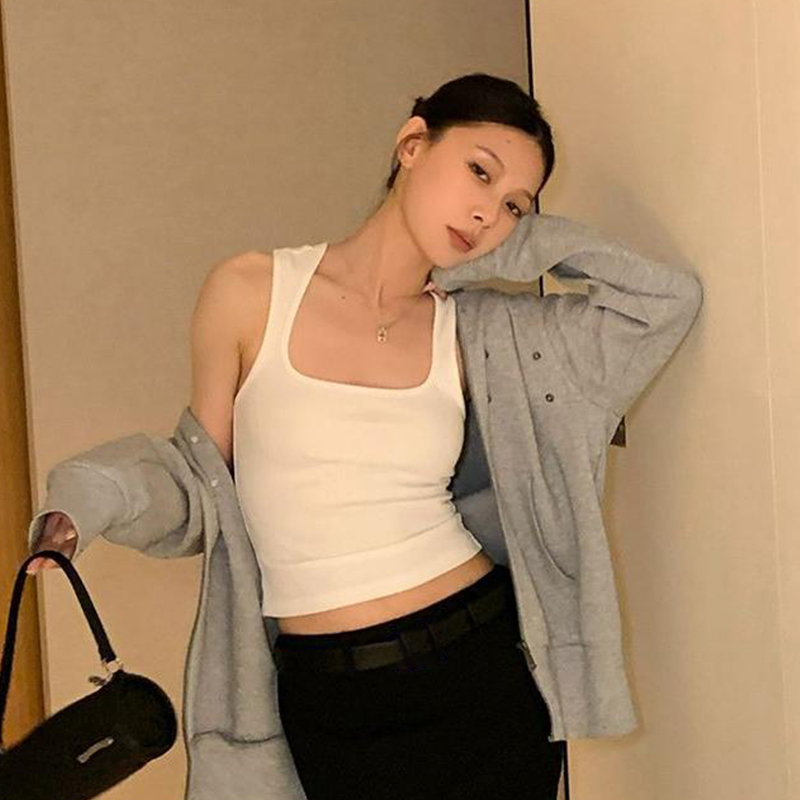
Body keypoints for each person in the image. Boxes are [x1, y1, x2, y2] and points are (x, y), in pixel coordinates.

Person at [29, 73, 565, 798]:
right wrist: (90, 502)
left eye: (514, 208)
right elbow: (200, 483)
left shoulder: (470, 329)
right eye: (479, 171)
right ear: (412, 143)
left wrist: (531, 251)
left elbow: (661, 308)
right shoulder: (250, 291)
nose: (487, 213)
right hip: (330, 697)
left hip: (479, 672)